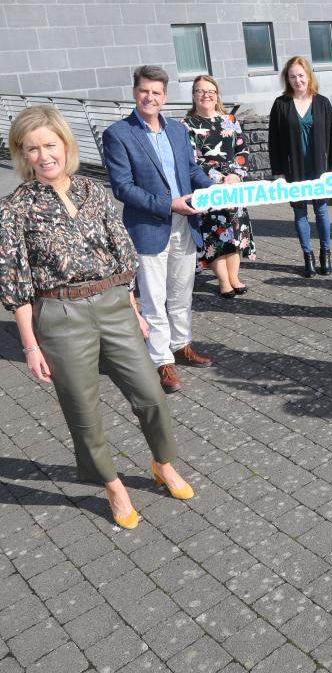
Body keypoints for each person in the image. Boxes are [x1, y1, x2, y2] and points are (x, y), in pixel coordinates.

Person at [0, 106, 194, 530]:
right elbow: (15, 283)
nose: (44, 155)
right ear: (22, 154)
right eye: (32, 148)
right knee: (83, 410)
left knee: (151, 395)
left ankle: (162, 463)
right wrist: (30, 345)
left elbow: (122, 254)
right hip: (60, 313)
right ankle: (113, 485)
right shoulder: (13, 208)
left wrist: (135, 311)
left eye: (50, 144)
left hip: (113, 304)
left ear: (65, 145)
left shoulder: (93, 191)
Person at [103, 65, 214, 395]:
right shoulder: (118, 134)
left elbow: (192, 170)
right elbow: (123, 188)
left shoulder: (178, 131)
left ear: (164, 97)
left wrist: (214, 191)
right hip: (150, 227)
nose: (149, 97)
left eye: (156, 92)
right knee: (154, 300)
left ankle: (181, 345)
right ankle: (160, 360)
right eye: (144, 91)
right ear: (135, 92)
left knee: (181, 293)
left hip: (185, 224)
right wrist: (169, 205)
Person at [183, 74, 256, 299]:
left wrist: (234, 175)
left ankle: (234, 277)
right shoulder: (186, 125)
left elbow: (243, 151)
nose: (206, 95)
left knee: (234, 233)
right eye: (200, 91)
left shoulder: (230, 120)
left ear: (217, 96)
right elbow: (191, 160)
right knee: (216, 235)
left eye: (210, 91)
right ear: (194, 95)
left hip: (233, 186)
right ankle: (223, 281)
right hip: (208, 187)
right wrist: (218, 179)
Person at [269, 55, 332, 277]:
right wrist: (278, 172)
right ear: (286, 80)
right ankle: (307, 256)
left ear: (308, 76)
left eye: (301, 75)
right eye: (292, 77)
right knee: (300, 214)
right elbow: (274, 143)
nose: (297, 80)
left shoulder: (323, 103)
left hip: (318, 168)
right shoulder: (281, 105)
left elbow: (331, 139)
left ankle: (325, 254)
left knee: (321, 211)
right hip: (294, 169)